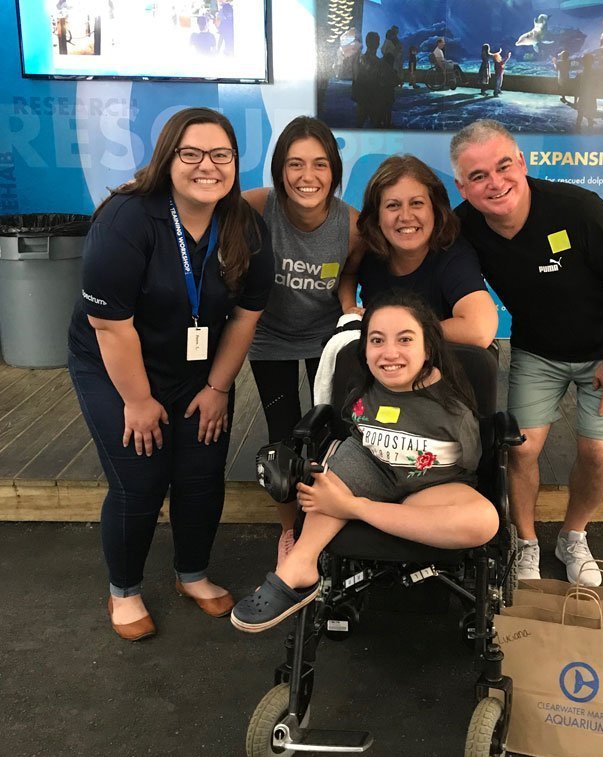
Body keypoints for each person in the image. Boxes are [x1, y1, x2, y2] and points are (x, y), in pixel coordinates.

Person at [68, 107, 274, 640]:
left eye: (221, 155)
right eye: (192, 154)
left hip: (196, 367)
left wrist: (218, 388)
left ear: (235, 162)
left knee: (201, 472)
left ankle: (193, 574)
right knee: (140, 479)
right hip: (115, 364)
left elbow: (246, 318)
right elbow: (111, 328)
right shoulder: (127, 219)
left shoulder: (245, 227)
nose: (207, 166)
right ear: (169, 159)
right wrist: (137, 402)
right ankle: (125, 590)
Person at [450, 119, 603, 587]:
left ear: (522, 162)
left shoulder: (579, 209)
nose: (495, 183)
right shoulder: (462, 227)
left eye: (503, 166)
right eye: (478, 176)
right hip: (538, 350)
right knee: (521, 449)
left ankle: (573, 534)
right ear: (462, 185)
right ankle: (526, 541)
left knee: (597, 450)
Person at [230, 291, 499, 632]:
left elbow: (472, 463)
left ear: (427, 347)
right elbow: (351, 435)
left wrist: (352, 505)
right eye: (377, 340)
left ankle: (350, 507)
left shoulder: (452, 408)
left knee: (485, 521)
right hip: (372, 468)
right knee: (332, 469)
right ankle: (299, 565)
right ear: (365, 348)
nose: (390, 353)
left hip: (433, 485)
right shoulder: (363, 388)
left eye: (405, 340)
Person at [242, 116, 362, 569]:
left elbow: (349, 271)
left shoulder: (351, 225)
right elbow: (198, 206)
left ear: (333, 170)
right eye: (295, 164)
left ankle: (325, 524)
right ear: (279, 169)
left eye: (319, 164)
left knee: (328, 434)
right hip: (269, 339)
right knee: (282, 436)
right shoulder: (256, 206)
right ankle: (290, 532)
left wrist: (350, 306)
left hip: (322, 339)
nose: (306, 177)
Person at [339, 154, 498, 349]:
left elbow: (480, 330)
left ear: (435, 210)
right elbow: (349, 272)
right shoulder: (369, 248)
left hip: (443, 362)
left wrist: (404, 333)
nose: (405, 216)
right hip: (384, 363)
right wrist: (349, 309)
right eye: (393, 205)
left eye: (416, 203)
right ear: (377, 216)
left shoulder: (452, 254)